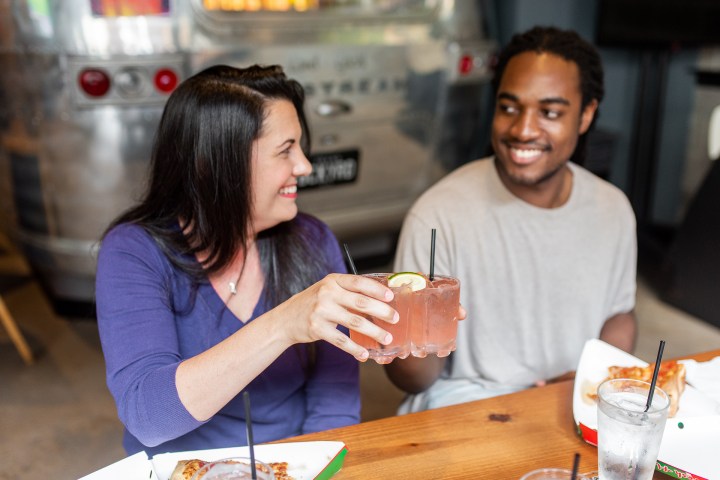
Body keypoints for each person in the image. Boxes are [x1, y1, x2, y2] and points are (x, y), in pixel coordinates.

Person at [95, 64, 400, 455]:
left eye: (301, 147)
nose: (304, 166)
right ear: (216, 165)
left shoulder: (313, 240)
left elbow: (334, 404)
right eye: (285, 150)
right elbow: (148, 416)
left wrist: (312, 466)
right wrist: (283, 325)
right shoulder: (134, 253)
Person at [386, 26, 637, 413]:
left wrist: (594, 376)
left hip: (568, 404)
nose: (522, 129)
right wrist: (407, 336)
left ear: (586, 114)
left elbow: (619, 315)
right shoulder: (438, 214)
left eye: (550, 112)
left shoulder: (613, 208)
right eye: (508, 108)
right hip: (463, 405)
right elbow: (413, 378)